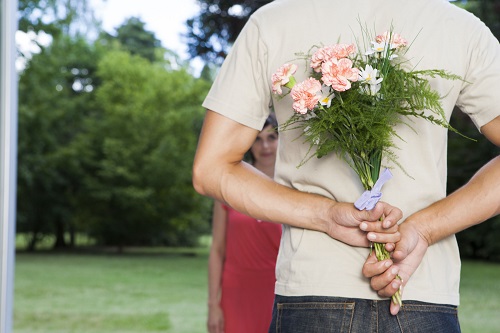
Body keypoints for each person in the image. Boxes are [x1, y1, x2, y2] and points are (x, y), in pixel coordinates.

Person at [193, 0, 500, 332]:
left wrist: (324, 215)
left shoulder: (272, 22)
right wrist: (423, 229)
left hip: (314, 291)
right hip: (421, 290)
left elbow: (211, 170)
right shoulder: (457, 26)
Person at [206, 114, 282, 333]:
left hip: (278, 289)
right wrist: (213, 304)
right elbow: (217, 250)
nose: (265, 146)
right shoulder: (229, 184)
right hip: (236, 291)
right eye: (257, 139)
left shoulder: (293, 186)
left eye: (271, 137)